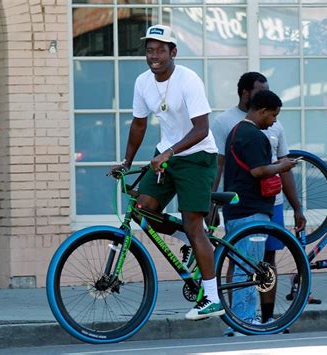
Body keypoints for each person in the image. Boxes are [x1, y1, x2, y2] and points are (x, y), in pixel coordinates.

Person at [109, 24, 223, 321]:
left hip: (197, 156)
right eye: (149, 50)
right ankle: (188, 238)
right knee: (142, 207)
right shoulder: (143, 82)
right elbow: (138, 124)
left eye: (161, 50)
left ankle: (212, 297)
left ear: (173, 52)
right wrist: (126, 161)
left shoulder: (189, 80)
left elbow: (202, 129)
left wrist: (170, 152)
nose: (154, 56)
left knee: (194, 223)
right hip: (166, 156)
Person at [211, 73, 306, 335]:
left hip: (241, 210)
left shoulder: (237, 131)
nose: (275, 121)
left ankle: (240, 320)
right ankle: (244, 320)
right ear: (262, 111)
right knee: (248, 267)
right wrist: (282, 165)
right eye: (273, 115)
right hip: (251, 211)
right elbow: (258, 171)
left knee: (245, 264)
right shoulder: (253, 136)